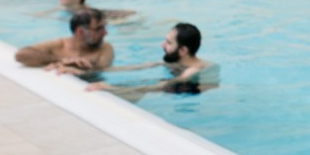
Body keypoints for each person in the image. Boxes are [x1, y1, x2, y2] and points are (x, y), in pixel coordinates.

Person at [87, 23, 216, 96]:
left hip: (188, 91)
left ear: (183, 51)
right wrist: (89, 71)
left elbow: (159, 86)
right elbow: (138, 66)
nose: (162, 45)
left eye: (168, 43)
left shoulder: (191, 71)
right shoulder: (176, 61)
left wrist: (112, 87)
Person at [14, 8, 114, 74]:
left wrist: (80, 70)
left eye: (104, 28)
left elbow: (102, 71)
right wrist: (60, 60)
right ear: (80, 31)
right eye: (98, 29)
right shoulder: (59, 45)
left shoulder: (105, 48)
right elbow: (21, 55)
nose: (105, 33)